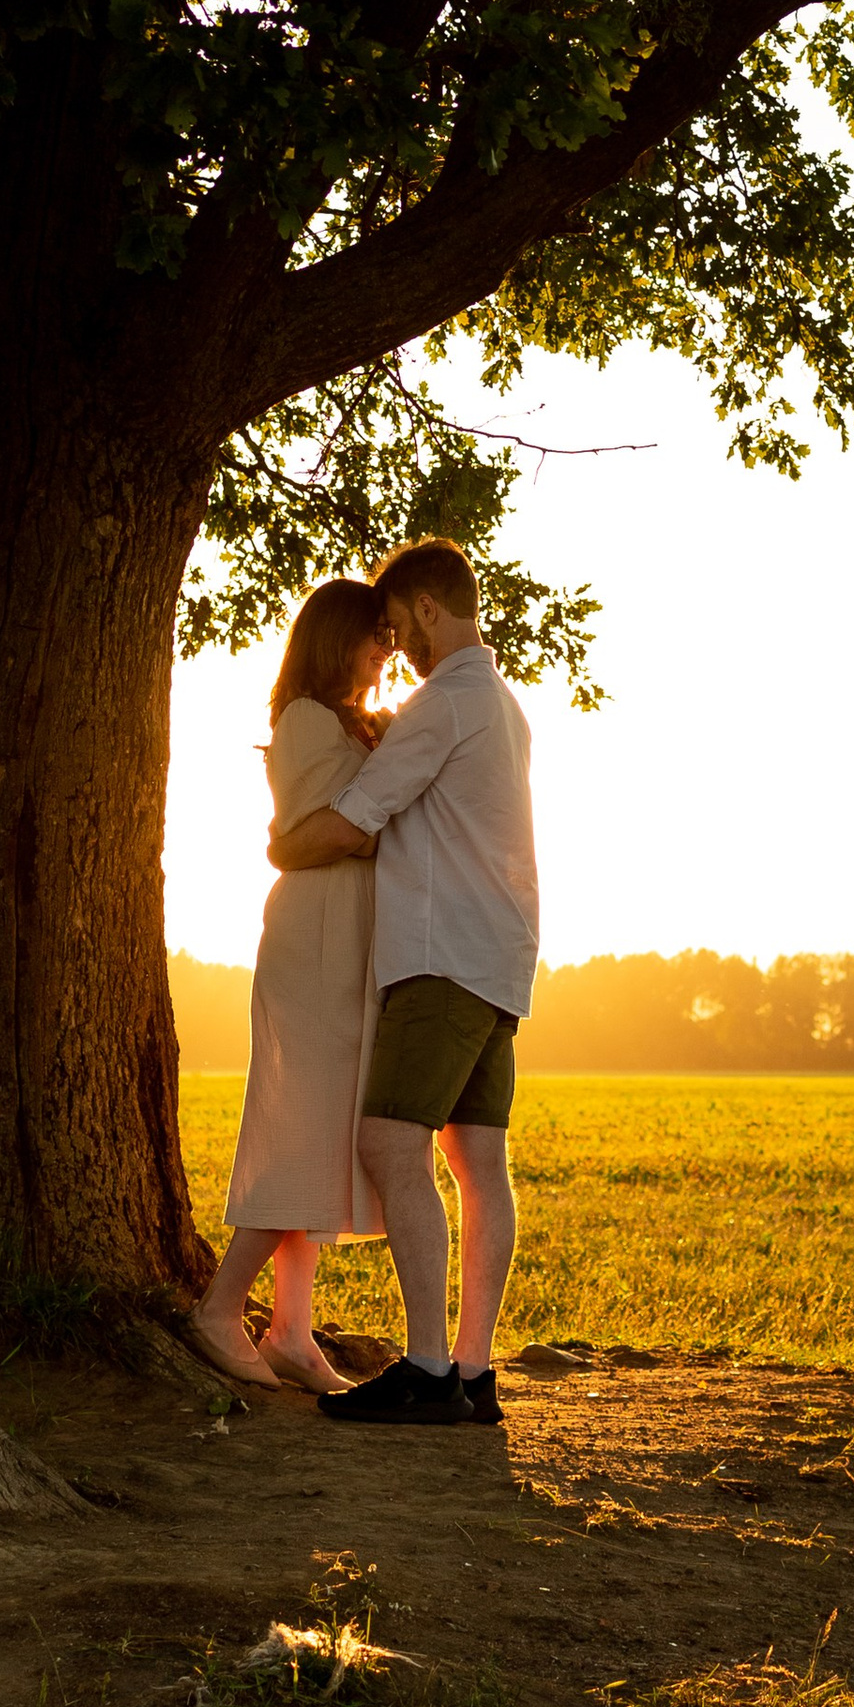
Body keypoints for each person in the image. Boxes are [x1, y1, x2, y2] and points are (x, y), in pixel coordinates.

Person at [268, 539, 535, 1428]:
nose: (396, 648)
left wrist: (281, 846)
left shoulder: (441, 703)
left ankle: (425, 1370)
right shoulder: (503, 704)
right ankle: (474, 1371)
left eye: (397, 627)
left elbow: (352, 820)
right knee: (477, 1162)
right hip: (499, 959)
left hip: (439, 956)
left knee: (391, 1143)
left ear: (428, 609)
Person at [191, 579, 389, 1393]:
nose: (385, 651)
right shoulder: (306, 719)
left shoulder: (350, 721)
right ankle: (217, 1307)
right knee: (300, 1129)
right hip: (313, 943)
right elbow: (308, 835)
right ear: (336, 638)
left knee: (320, 1135)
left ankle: (293, 1329)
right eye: (374, 635)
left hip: (343, 943)